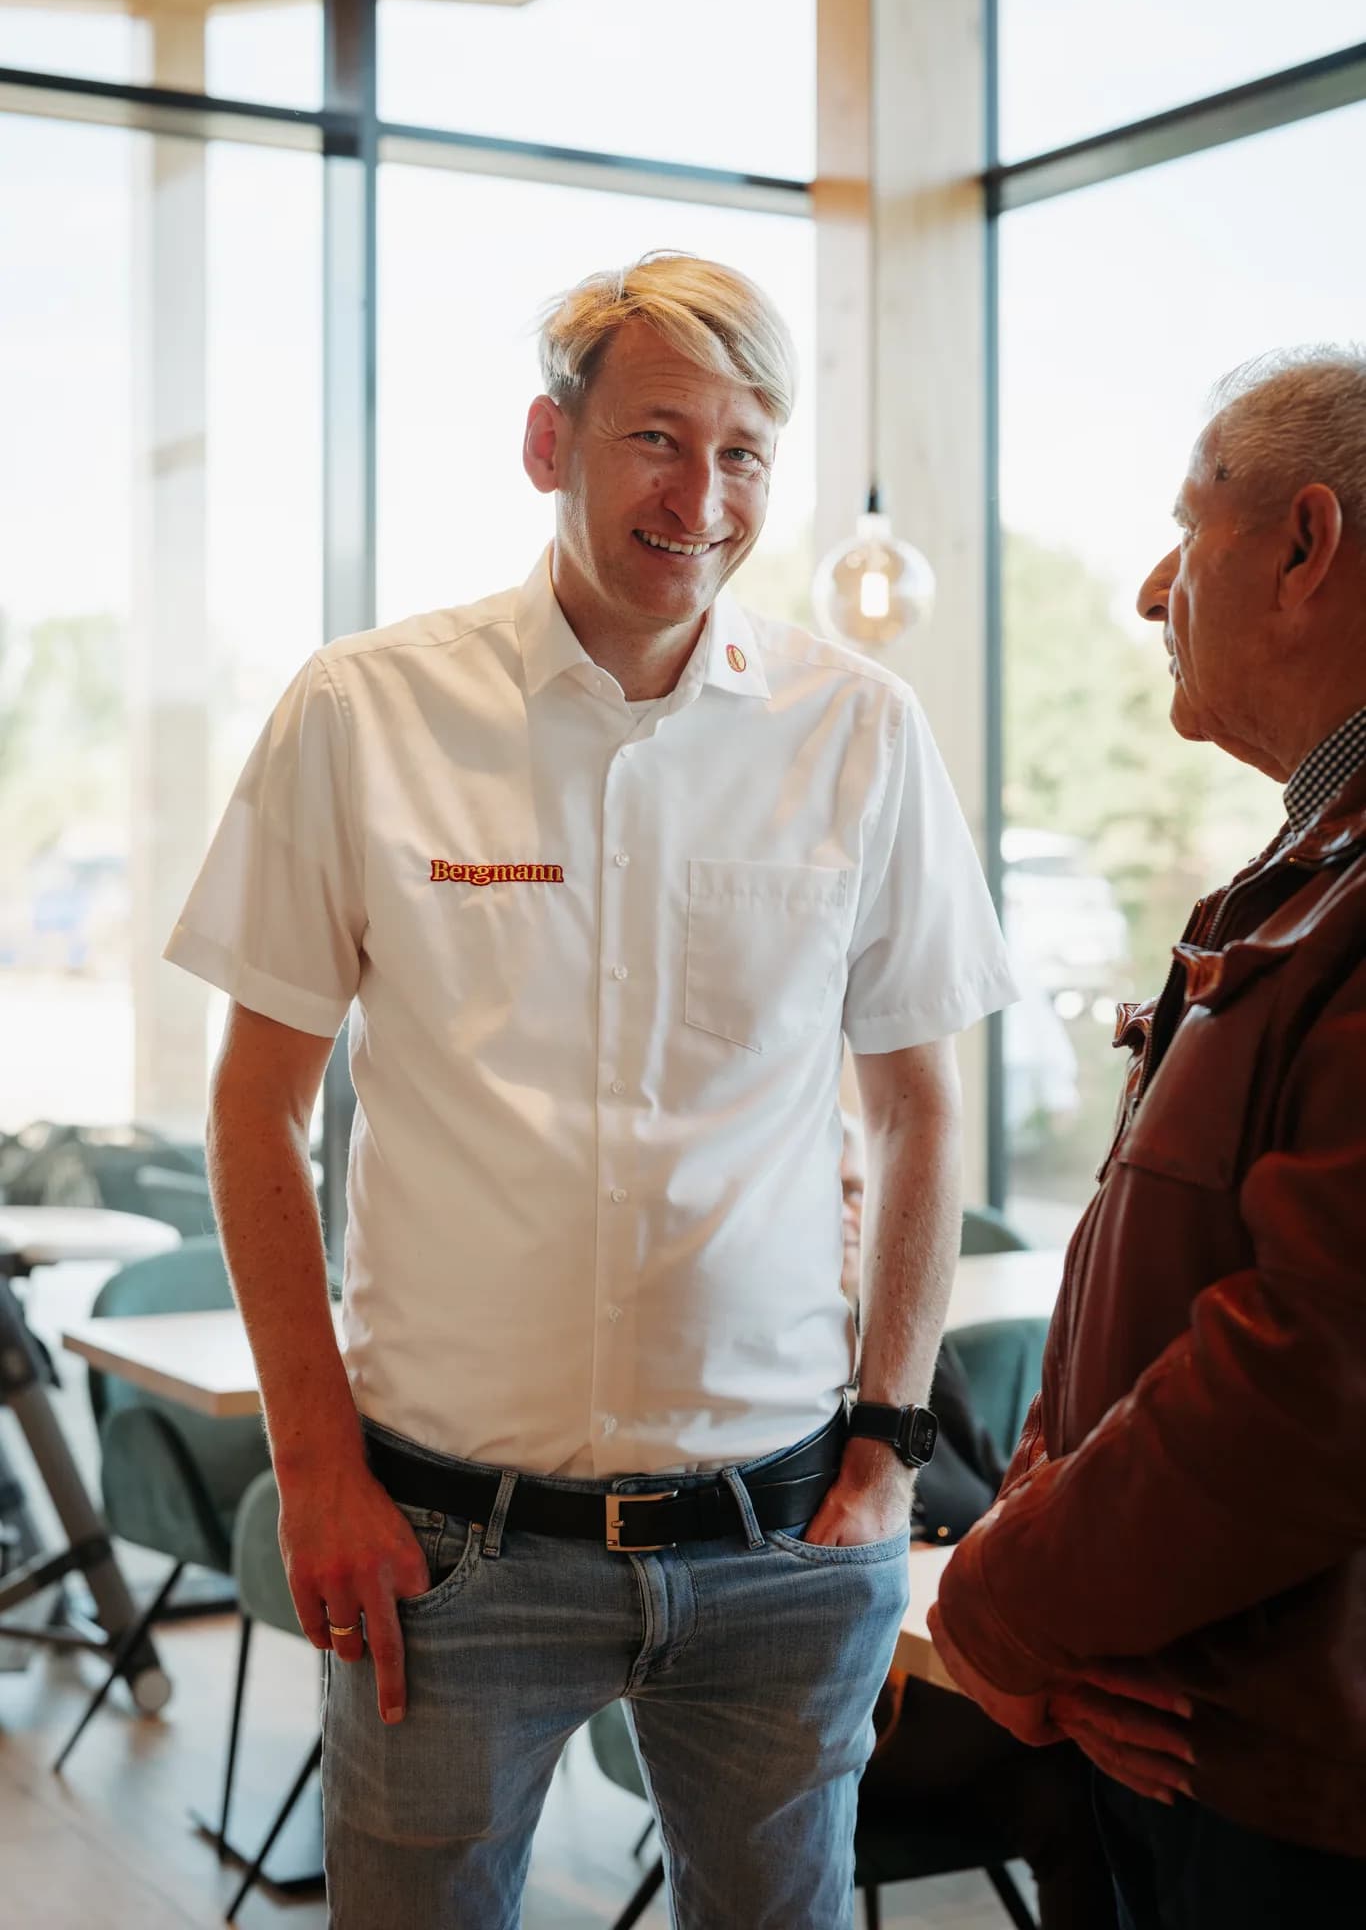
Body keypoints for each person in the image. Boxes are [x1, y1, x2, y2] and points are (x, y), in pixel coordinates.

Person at [166, 252, 1017, 1929]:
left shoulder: (857, 727)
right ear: (549, 444)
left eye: (746, 449)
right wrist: (318, 1468)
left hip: (784, 1542)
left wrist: (884, 1459)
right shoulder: (366, 710)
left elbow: (919, 1109)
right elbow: (255, 1107)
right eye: (655, 437)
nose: (701, 496)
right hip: (446, 1544)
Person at [928, 345, 1366, 1929]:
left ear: (1304, 545)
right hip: (1204, 1738)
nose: (1144, 590)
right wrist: (1058, 1589)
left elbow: (1310, 1369)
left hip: (1291, 1797)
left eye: (1189, 528)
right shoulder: (1306, 866)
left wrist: (1000, 1598)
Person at [837, 1124, 1117, 1929]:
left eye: (860, 1191)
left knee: (1088, 1782)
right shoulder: (758, 1390)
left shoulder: (911, 1348)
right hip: (862, 1710)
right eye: (826, 1193)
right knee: (1094, 1744)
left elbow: (1002, 1496)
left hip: (965, 1681)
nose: (851, 1213)